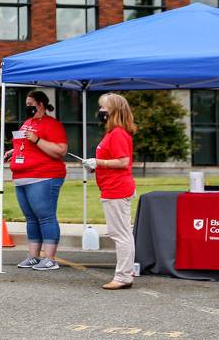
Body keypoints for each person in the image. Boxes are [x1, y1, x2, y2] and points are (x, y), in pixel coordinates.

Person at [6, 90, 68, 271]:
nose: (27, 107)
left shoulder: (52, 125)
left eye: (30, 104)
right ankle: (33, 256)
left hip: (44, 176)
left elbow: (61, 150)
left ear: (40, 104)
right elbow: (24, 144)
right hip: (21, 178)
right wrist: (13, 152)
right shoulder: (28, 123)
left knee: (45, 216)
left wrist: (37, 139)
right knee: (31, 218)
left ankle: (49, 258)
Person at [83, 93, 137, 291]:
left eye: (103, 108)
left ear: (114, 110)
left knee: (120, 234)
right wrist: (97, 165)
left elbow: (123, 162)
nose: (100, 112)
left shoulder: (118, 133)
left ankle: (123, 276)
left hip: (117, 188)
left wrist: (98, 162)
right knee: (121, 233)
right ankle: (124, 274)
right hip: (112, 187)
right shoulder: (113, 132)